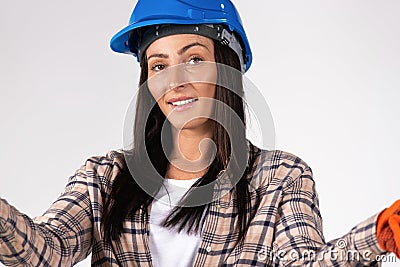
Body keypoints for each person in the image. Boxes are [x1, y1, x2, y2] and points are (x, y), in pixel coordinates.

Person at [0, 0, 399, 266]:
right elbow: (44, 253)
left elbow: (303, 262)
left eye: (194, 59)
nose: (175, 80)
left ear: (227, 68)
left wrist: (377, 234)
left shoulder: (280, 178)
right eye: (158, 66)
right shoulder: (105, 179)